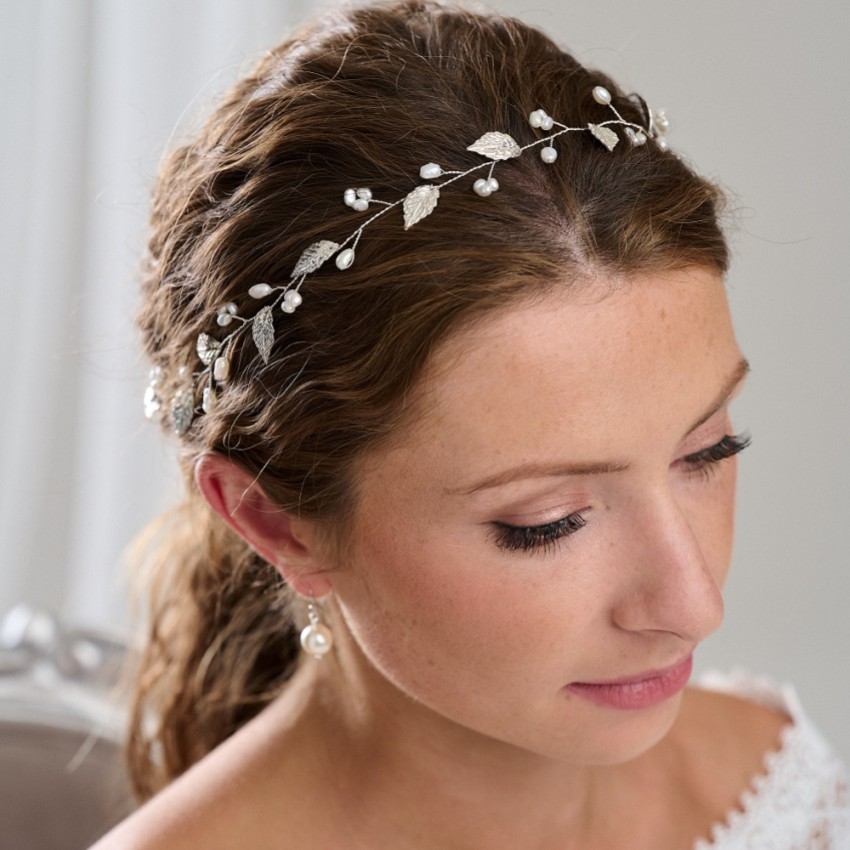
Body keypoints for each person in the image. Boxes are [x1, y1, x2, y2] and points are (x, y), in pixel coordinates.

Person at [92, 1, 850, 847]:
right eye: (546, 523)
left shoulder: (786, 787)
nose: (694, 606)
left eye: (709, 450)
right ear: (274, 520)